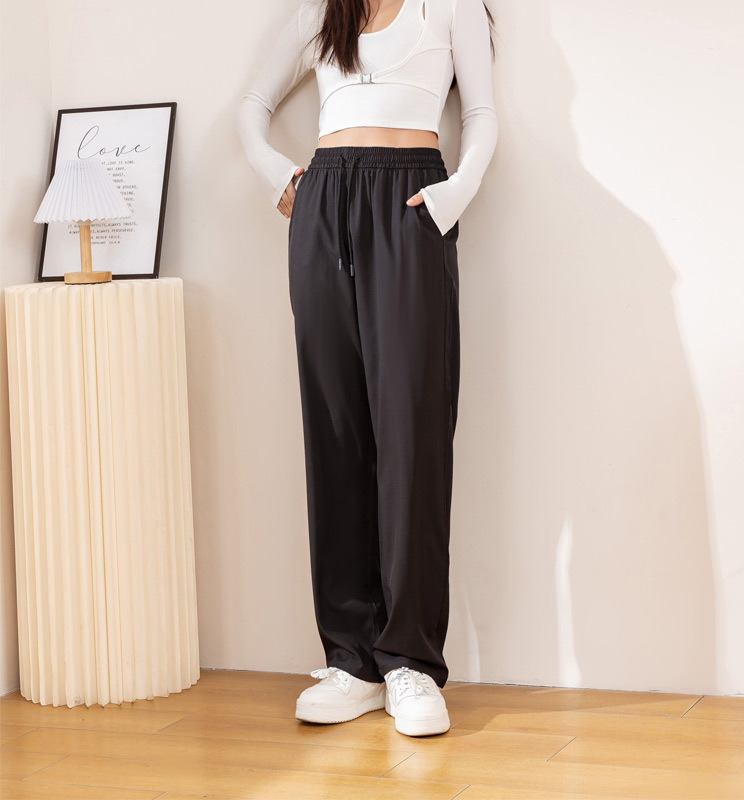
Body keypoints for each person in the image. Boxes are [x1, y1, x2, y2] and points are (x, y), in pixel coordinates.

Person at [236, 0, 498, 737]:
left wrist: (452, 196)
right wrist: (281, 178)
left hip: (411, 200)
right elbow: (251, 108)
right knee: (336, 426)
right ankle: (350, 659)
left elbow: (482, 114)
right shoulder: (323, 12)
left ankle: (409, 658)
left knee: (413, 428)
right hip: (323, 199)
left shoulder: (451, 7)